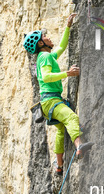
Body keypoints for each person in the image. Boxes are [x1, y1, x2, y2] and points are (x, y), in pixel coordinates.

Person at [23, 13, 93, 174]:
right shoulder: (45, 56)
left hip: (48, 102)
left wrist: (68, 26)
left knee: (61, 130)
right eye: (45, 36)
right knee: (71, 117)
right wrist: (67, 73)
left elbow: (61, 47)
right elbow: (47, 77)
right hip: (51, 100)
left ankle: (59, 165)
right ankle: (79, 146)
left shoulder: (45, 56)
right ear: (41, 42)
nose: (48, 37)